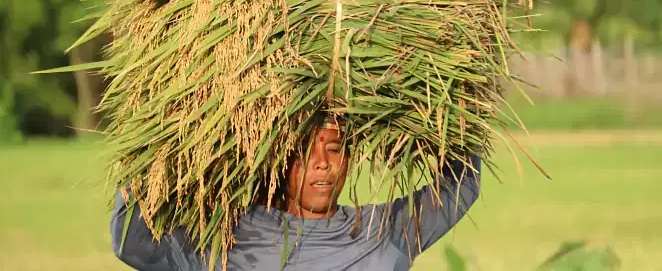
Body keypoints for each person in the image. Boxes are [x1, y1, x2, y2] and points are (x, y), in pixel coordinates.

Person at [111, 113, 481, 271]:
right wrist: (155, 145)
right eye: (304, 153)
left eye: (334, 149)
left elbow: (461, 185)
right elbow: (133, 243)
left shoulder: (383, 230)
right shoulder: (229, 237)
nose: (322, 163)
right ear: (278, 162)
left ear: (349, 160)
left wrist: (442, 112)